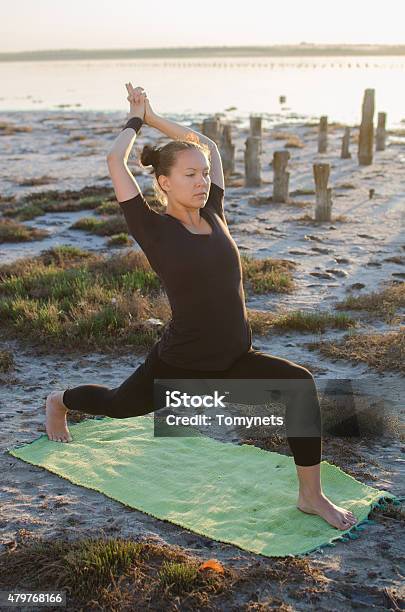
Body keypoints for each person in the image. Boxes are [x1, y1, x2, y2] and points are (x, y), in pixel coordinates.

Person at [45, 83, 357, 530]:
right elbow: (115, 160)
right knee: (118, 404)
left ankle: (311, 496)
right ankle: (60, 399)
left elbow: (206, 145)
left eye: (203, 174)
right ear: (164, 183)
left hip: (235, 357)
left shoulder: (214, 211)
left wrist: (155, 116)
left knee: (299, 386)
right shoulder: (152, 228)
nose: (200, 180)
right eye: (189, 175)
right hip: (181, 362)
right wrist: (135, 120)